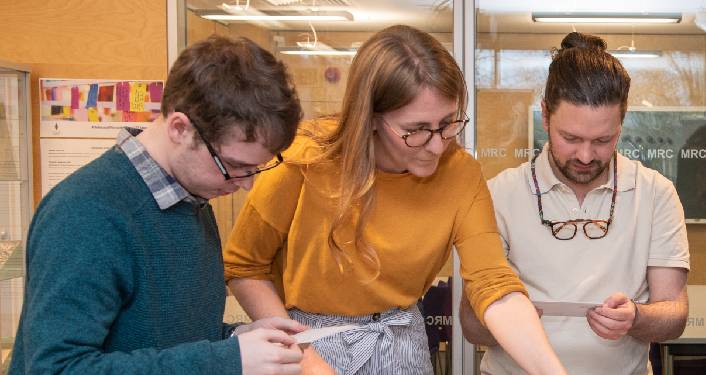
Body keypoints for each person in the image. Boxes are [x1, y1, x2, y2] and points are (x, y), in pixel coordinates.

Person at [222, 25, 567, 375]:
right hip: (305, 339)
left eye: (448, 124)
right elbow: (244, 268)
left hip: (400, 340)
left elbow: (493, 282)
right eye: (415, 130)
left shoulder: (461, 174)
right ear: (370, 117)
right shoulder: (304, 158)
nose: (436, 145)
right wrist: (305, 357)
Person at [10, 35, 308, 375]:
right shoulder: (85, 211)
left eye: (256, 168)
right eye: (234, 167)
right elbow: (56, 368)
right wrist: (227, 359)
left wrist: (238, 339)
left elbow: (166, 338)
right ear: (180, 128)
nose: (247, 184)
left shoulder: (189, 197)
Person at [459, 32, 691, 375]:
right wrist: (505, 317)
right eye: (570, 138)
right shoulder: (497, 194)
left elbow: (674, 315)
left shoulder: (655, 193)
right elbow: (469, 326)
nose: (585, 155)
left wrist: (635, 318)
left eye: (603, 140)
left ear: (622, 123)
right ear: (545, 117)